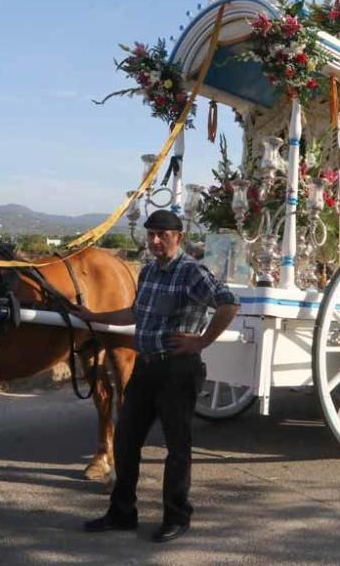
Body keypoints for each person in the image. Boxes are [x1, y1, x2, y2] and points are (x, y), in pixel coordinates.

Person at [78, 210, 240, 542]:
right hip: (145, 367)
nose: (154, 241)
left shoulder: (191, 272)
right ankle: (122, 513)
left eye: (162, 235)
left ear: (177, 237)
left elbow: (228, 303)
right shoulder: (149, 271)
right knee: (125, 441)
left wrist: (203, 340)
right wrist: (94, 317)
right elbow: (136, 313)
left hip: (178, 369)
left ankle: (177, 516)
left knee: (177, 447)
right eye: (150, 234)